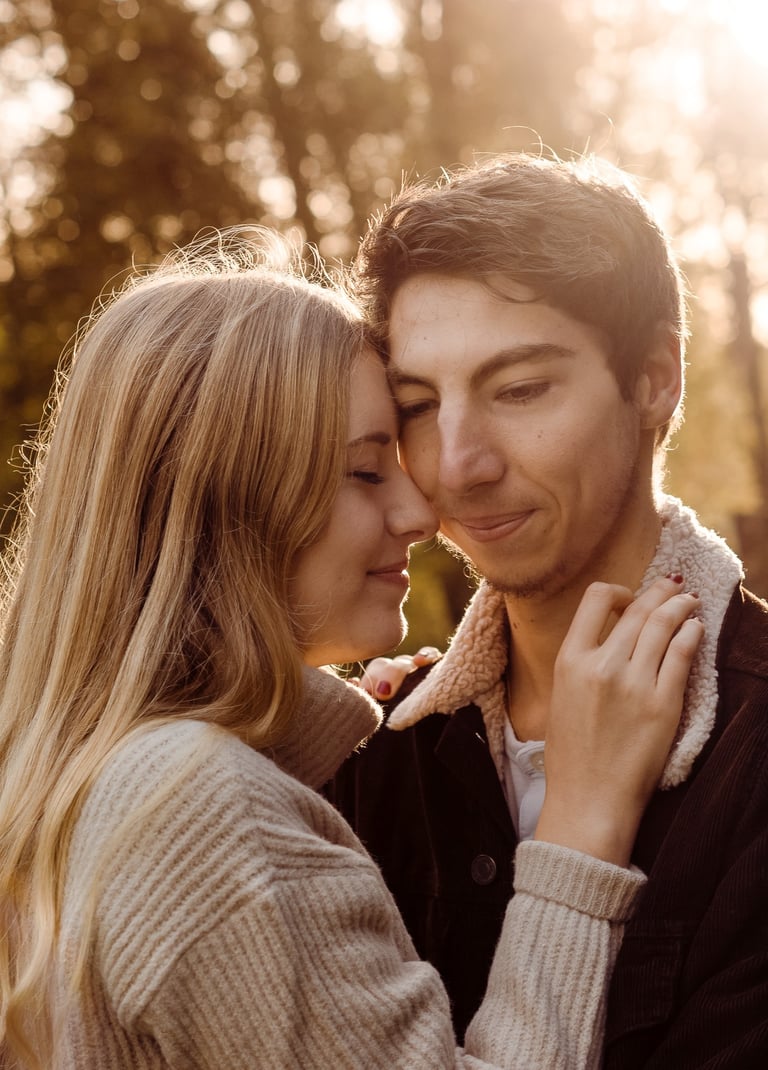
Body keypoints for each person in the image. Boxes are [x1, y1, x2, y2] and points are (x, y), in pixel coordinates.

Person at [0, 230, 702, 1069]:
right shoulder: (198, 807)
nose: (421, 508)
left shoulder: (95, 777)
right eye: (367, 472)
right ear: (230, 504)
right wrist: (582, 822)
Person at [328, 153, 768, 1068]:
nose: (457, 465)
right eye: (417, 405)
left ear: (653, 377)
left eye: (520, 389)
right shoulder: (368, 754)